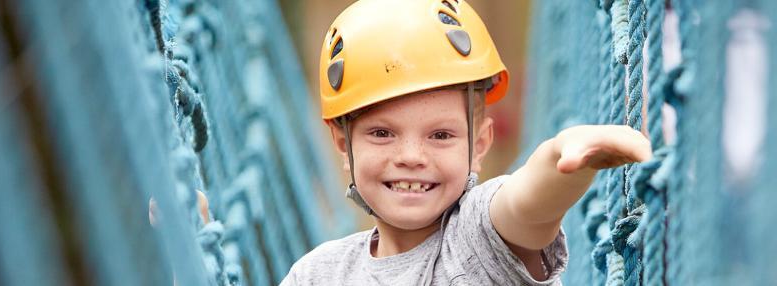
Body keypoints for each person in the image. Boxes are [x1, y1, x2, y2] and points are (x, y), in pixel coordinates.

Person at [279, 0, 652, 284]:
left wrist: (563, 156)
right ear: (344, 145)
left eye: (440, 135)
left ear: (480, 143)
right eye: (382, 134)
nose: (410, 156)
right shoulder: (318, 274)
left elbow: (526, 205)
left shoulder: (477, 238)